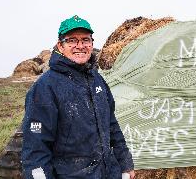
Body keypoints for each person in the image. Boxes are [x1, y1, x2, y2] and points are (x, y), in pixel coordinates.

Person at [21, 15, 135, 179]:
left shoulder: (97, 80)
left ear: (91, 44)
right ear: (60, 45)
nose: (80, 46)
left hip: (109, 172)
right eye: (72, 40)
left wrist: (125, 162)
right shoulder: (45, 87)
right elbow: (35, 148)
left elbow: (112, 125)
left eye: (85, 40)